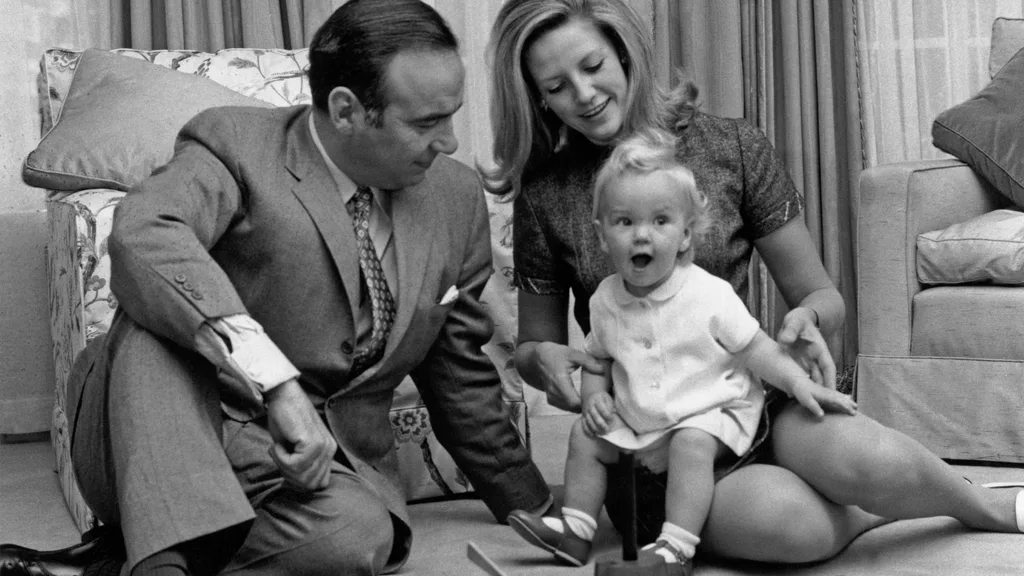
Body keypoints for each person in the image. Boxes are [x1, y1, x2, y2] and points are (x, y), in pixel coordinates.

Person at [0, 2, 552, 576]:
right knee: (156, 307)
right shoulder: (235, 143)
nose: (451, 143)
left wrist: (535, 506)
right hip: (160, 428)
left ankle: (135, 558)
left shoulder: (455, 199)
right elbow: (145, 232)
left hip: (306, 470)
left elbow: (458, 374)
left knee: (360, 539)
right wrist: (278, 383)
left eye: (452, 116)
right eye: (425, 123)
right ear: (346, 111)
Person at [484, 0, 1024, 566]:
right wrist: (543, 360)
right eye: (557, 85)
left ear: (624, 53)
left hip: (750, 407)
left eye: (593, 66)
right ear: (537, 97)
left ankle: (980, 507)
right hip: (654, 452)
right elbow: (531, 350)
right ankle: (876, 512)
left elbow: (822, 298)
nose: (584, 93)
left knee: (869, 459)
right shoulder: (545, 195)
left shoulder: (731, 147)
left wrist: (808, 322)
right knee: (793, 528)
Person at [505, 131, 859, 573]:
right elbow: (599, 360)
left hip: (711, 413)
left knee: (690, 444)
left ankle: (675, 549)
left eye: (660, 221)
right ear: (601, 236)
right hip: (644, 423)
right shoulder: (604, 300)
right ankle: (576, 530)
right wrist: (595, 397)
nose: (642, 236)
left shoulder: (709, 295)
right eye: (624, 222)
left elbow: (758, 350)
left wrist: (798, 383)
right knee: (585, 435)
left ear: (686, 234)